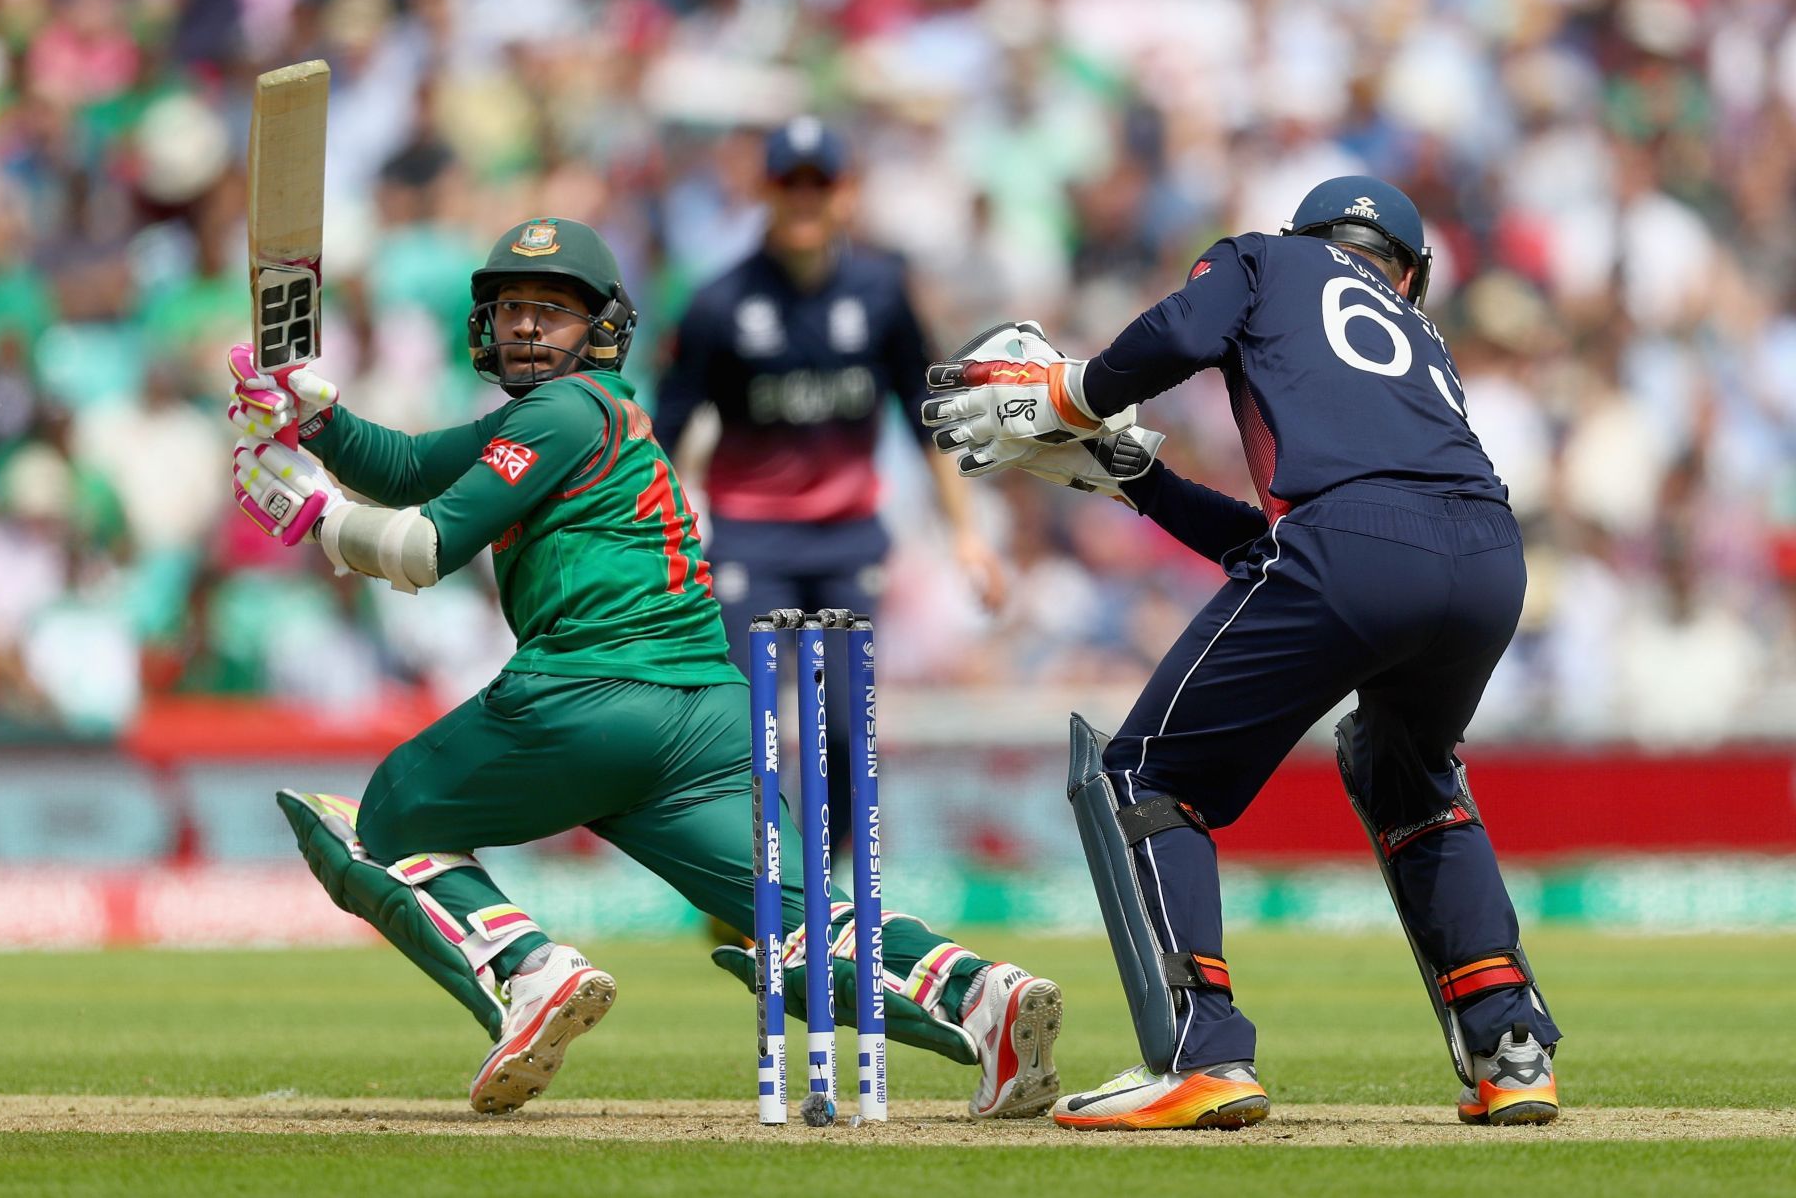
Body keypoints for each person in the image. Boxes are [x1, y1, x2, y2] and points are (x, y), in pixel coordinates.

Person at [226, 217, 1063, 1119]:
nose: (526, 327)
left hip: (588, 691)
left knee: (384, 819)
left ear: (601, 327)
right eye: (512, 308)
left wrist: (310, 517)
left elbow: (423, 547)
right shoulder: (577, 418)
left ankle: (530, 972)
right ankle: (987, 999)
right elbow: (408, 468)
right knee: (791, 922)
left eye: (552, 311)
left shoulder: (562, 409)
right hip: (709, 714)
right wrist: (316, 419)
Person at [921, 177, 1560, 1131]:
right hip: (1489, 559)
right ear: (1411, 274)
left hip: (1353, 549)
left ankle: (1201, 1050)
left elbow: (1182, 337)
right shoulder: (1420, 344)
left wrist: (1070, 392)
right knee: (1413, 775)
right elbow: (1291, 541)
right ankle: (1511, 1046)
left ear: (1312, 236)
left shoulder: (1265, 256)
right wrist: (1138, 477)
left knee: (1144, 771)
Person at [654, 117, 1004, 851]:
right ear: (767, 192)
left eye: (822, 184)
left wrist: (967, 538)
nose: (806, 200)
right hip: (753, 538)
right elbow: (668, 433)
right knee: (754, 721)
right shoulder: (721, 303)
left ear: (845, 193)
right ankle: (750, 873)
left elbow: (927, 419)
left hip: (848, 541)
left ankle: (830, 892)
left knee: (845, 726)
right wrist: (664, 539)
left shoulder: (880, 292)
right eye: (791, 184)